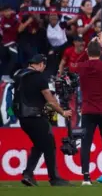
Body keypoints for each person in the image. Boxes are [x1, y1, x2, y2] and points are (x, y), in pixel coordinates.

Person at [13, 54, 72, 187]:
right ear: (41, 64)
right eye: (43, 66)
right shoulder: (39, 78)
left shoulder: (19, 76)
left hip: (23, 119)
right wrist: (63, 112)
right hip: (36, 117)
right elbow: (50, 100)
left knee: (40, 144)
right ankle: (54, 178)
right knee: (49, 144)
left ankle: (28, 174)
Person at [76, 33, 102, 186]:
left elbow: (73, 64)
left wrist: (86, 52)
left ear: (87, 52)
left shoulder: (82, 66)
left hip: (88, 112)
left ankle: (86, 178)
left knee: (86, 144)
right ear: (100, 53)